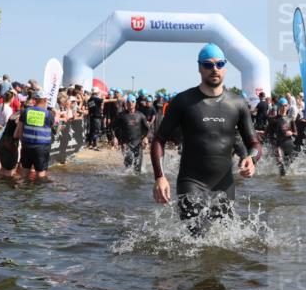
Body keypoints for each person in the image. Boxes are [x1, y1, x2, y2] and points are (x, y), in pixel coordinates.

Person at [150, 43, 259, 232]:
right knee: (194, 240)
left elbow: (254, 143)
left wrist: (251, 158)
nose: (214, 69)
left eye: (219, 64)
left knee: (224, 244)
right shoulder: (184, 101)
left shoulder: (238, 103)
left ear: (225, 67)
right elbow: (159, 139)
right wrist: (160, 177)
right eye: (208, 65)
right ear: (199, 67)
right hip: (191, 182)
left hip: (224, 184)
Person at [14, 92, 55, 180]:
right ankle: (39, 192)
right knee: (40, 173)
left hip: (27, 145)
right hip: (42, 147)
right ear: (45, 100)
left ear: (35, 100)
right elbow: (53, 129)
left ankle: (23, 190)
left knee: (25, 171)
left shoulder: (26, 111)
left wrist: (23, 141)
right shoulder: (48, 114)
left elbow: (20, 129)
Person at [113, 94, 149, 174]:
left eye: (133, 101)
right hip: (126, 144)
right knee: (127, 169)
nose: (131, 103)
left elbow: (147, 129)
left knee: (138, 170)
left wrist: (145, 138)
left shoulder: (140, 115)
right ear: (126, 103)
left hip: (138, 144)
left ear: (135, 103)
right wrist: (114, 138)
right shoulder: (121, 115)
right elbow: (112, 128)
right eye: (128, 102)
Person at [271, 97, 296, 175]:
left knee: (288, 166)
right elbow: (268, 133)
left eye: (285, 105)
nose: (284, 107)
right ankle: (281, 184)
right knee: (280, 164)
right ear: (279, 106)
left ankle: (286, 185)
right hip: (279, 144)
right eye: (282, 105)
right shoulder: (274, 119)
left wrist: (291, 133)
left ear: (288, 106)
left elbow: (296, 133)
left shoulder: (290, 119)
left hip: (289, 144)